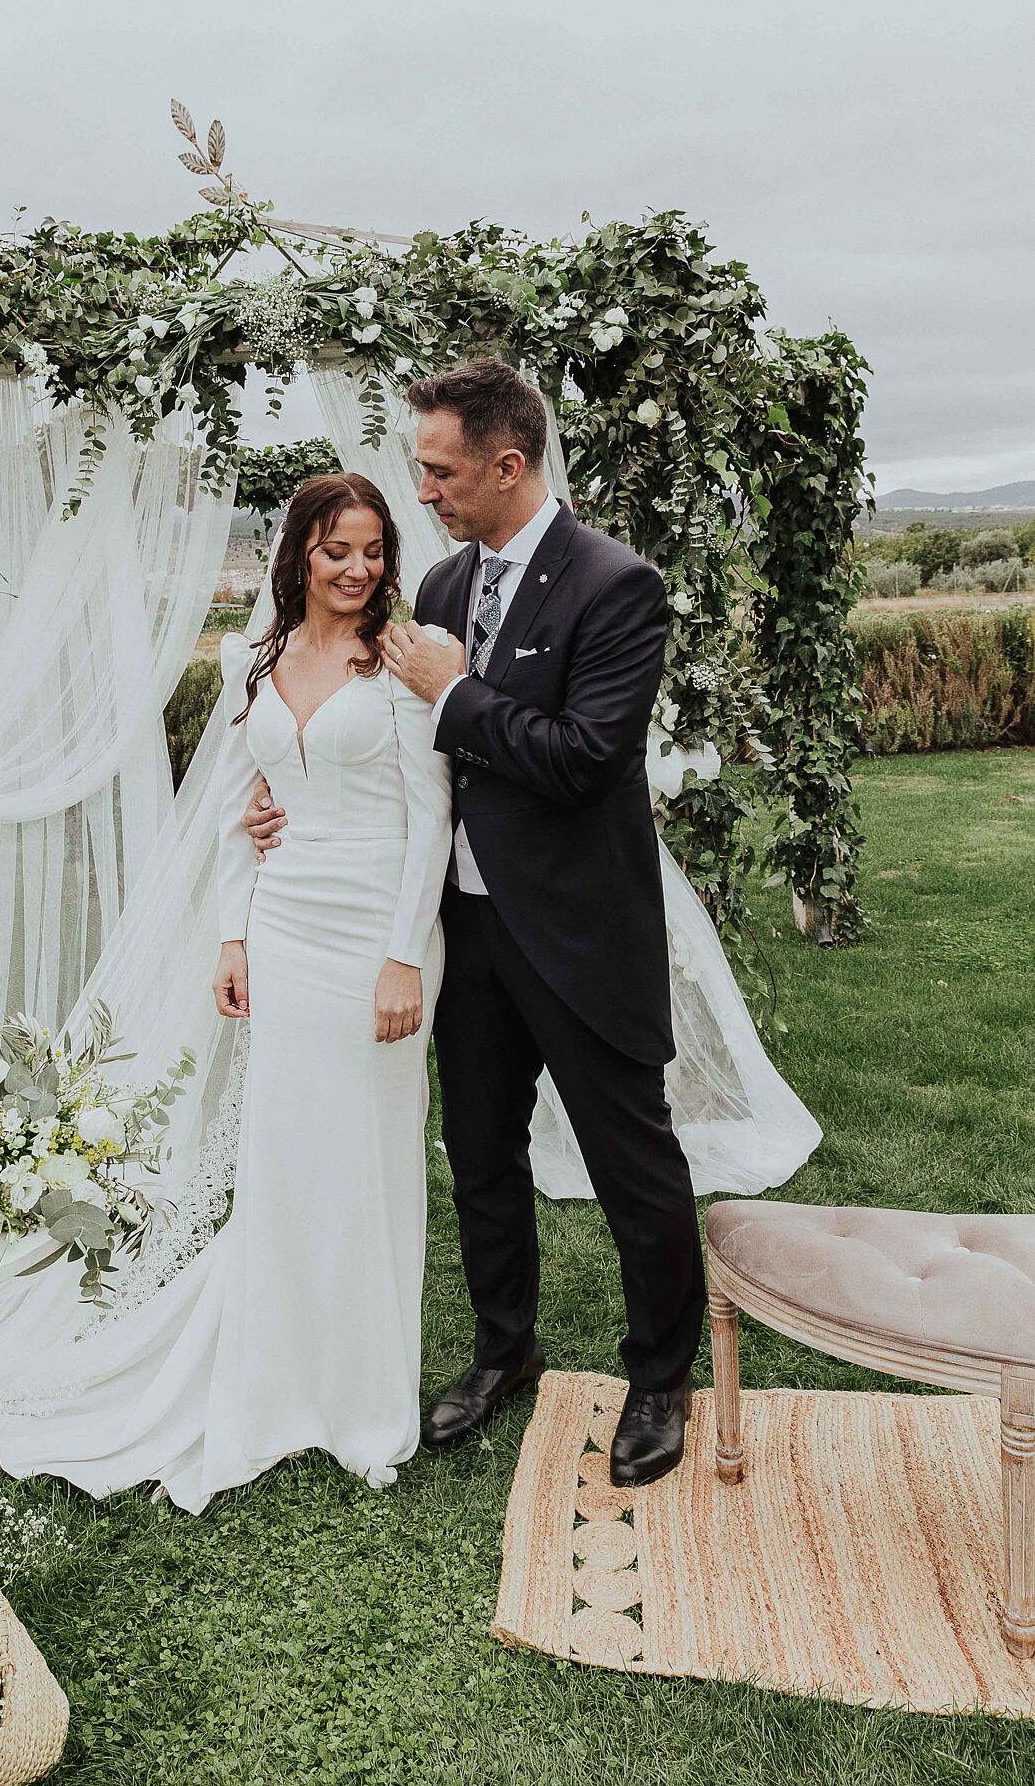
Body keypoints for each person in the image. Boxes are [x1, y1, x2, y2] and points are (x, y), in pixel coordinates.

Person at [248, 359, 705, 1487]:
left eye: (441, 470)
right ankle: (503, 1348)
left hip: (577, 932)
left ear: (508, 464)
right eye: (423, 468)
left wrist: (456, 693)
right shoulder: (442, 588)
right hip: (463, 928)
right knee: (481, 1154)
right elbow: (403, 763)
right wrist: (286, 798)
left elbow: (587, 760)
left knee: (626, 1155)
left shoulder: (615, 586)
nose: (428, 489)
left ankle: (658, 1376)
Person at [0, 471, 453, 1511]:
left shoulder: (401, 664)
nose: (359, 569)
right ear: (299, 553)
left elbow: (432, 818)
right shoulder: (258, 657)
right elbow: (244, 809)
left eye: (374, 550)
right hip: (284, 926)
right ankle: (275, 1360)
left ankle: (360, 1389)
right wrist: (232, 934)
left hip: (374, 926)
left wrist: (404, 956)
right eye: (338, 549)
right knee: (285, 1147)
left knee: (370, 1154)